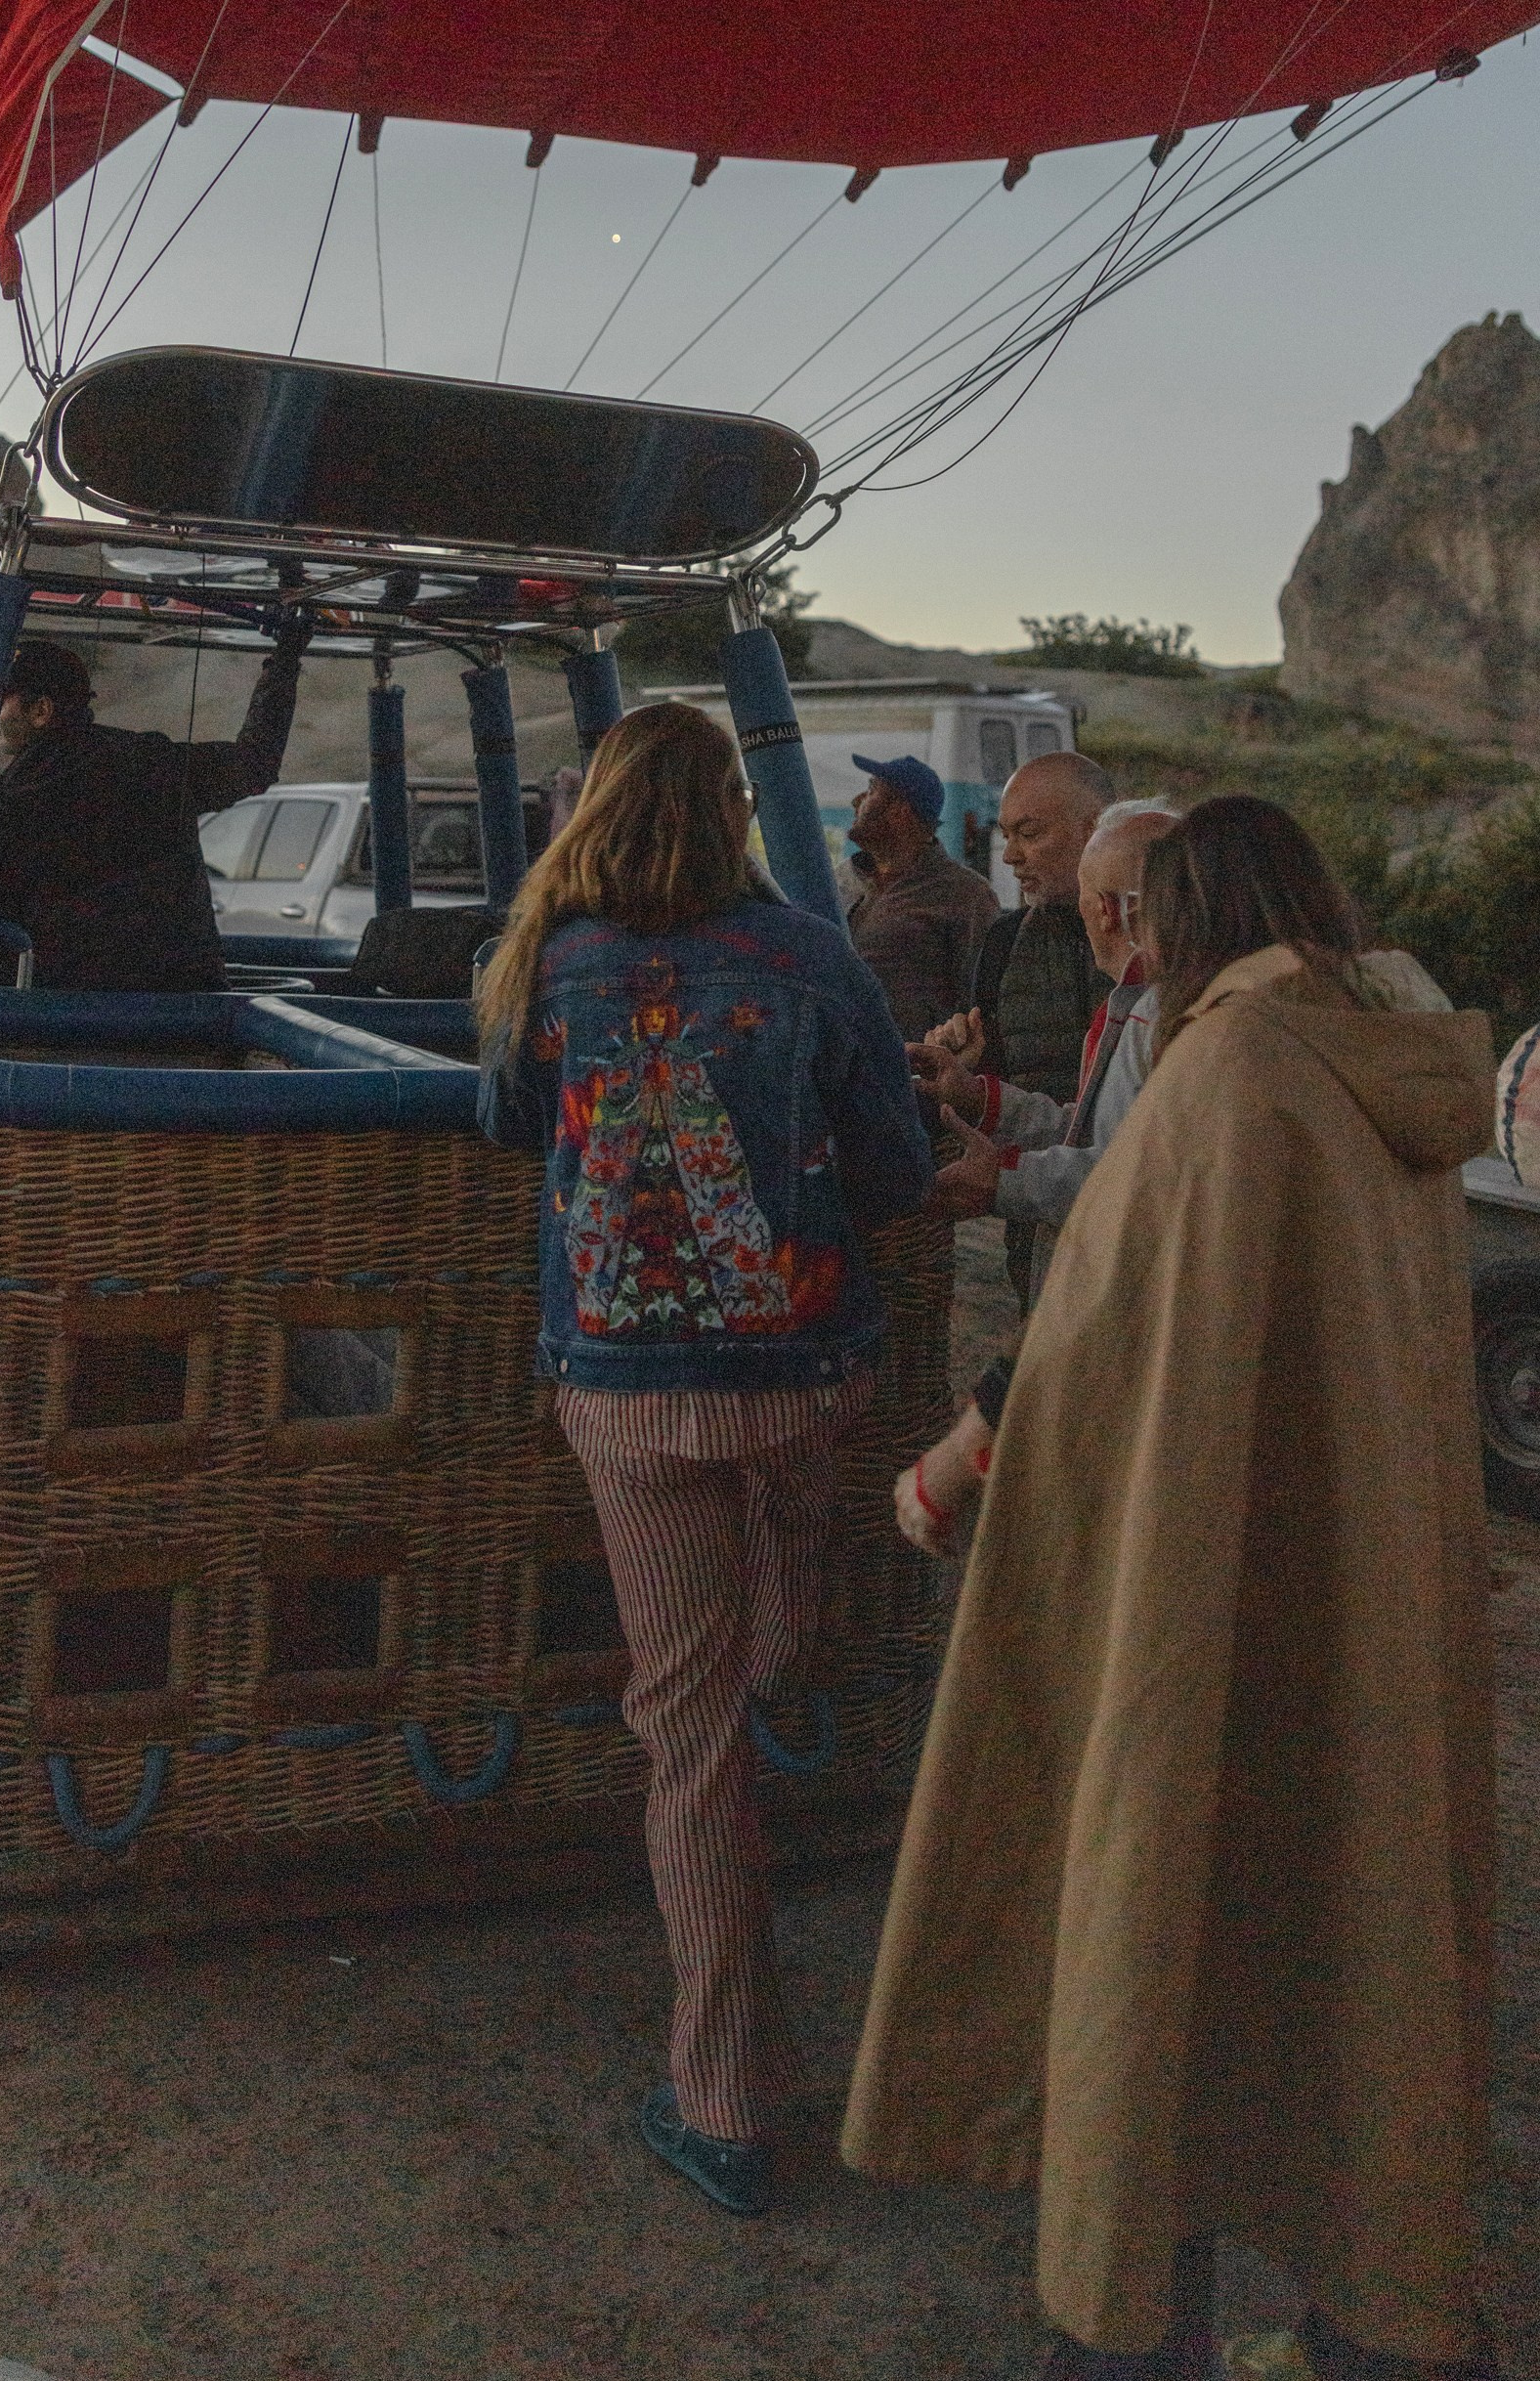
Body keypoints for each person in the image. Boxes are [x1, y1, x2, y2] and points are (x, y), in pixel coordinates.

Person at [844, 796, 1498, 2381]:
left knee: (1162, 1928)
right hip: (1363, 1581)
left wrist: (945, 1477)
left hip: (1204, 1578)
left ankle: (1138, 2345)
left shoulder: (1232, 1068)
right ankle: (1376, 2327)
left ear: (1188, 913)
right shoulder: (1387, 1039)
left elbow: (1097, 1332)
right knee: (1345, 1939)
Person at [477, 701, 930, 2220]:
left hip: (628, 1385)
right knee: (780, 1588)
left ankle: (727, 2099)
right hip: (804, 1373)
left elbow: (503, 1120)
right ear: (737, 805)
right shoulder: (814, 955)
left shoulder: (551, 957)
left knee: (688, 1745)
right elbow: (893, 1171)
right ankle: (785, 1654)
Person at [895, 798, 1177, 1551]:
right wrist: (978, 1097)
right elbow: (1088, 1132)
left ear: (1113, 910)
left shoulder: (1159, 1016)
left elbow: (1123, 1187)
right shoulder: (1144, 1004)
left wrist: (1001, 1182)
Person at [0, 624, 307, 993]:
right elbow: (253, 763)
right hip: (183, 1008)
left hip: (61, 1015)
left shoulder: (12, 801)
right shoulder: (151, 762)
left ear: (41, 711)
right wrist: (285, 658)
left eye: (2, 700)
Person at [926, 749, 1112, 1302]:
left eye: (1029, 833)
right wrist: (966, 1064)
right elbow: (1005, 1078)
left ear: (1096, 828)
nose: (1009, 856)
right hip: (1037, 1224)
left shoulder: (1167, 945)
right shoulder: (1006, 943)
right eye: (1005, 835)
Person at [844, 752, 999, 1040]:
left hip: (912, 1072)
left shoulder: (965, 894)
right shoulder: (840, 881)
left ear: (900, 811)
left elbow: (983, 999)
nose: (857, 801)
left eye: (871, 790)